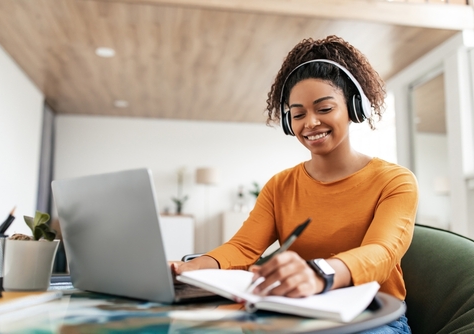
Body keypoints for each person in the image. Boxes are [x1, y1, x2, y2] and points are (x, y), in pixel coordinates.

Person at [172, 35, 418, 333]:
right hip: (299, 310)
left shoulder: (395, 181)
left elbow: (382, 252)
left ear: (355, 107)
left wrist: (320, 273)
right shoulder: (280, 185)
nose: (309, 123)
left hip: (372, 316)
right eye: (298, 114)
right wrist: (189, 269)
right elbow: (243, 247)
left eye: (324, 109)